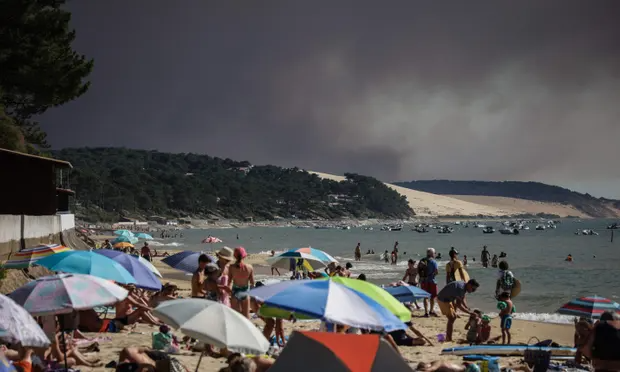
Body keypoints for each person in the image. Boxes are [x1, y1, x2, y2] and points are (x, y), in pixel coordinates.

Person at [228, 247, 255, 318]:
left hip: (235, 292)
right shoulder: (249, 267)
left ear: (234, 256)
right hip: (245, 292)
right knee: (246, 316)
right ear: (244, 256)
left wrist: (229, 292)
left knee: (236, 316)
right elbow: (252, 282)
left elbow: (229, 282)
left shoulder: (231, 267)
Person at [418, 248, 439, 317]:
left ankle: (426, 312)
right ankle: (431, 311)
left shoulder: (422, 260)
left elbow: (418, 270)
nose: (435, 254)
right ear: (432, 253)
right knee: (432, 297)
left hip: (424, 281)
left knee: (425, 297)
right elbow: (436, 272)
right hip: (432, 281)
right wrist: (432, 275)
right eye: (434, 253)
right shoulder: (433, 261)